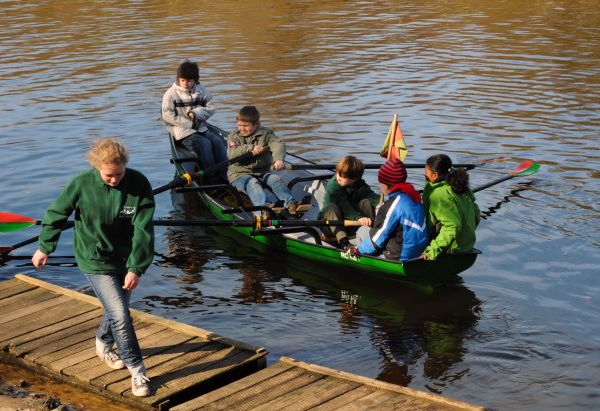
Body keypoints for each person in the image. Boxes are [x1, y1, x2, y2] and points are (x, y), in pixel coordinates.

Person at [31, 138, 155, 397]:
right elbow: (56, 214)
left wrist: (136, 267)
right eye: (109, 176)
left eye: (119, 174)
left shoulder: (138, 183)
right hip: (94, 258)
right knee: (121, 315)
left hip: (125, 258)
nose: (114, 180)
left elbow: (144, 230)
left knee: (117, 308)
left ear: (125, 167)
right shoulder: (81, 184)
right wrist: (45, 246)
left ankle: (103, 342)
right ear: (97, 167)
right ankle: (138, 371)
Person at [162, 60, 227, 183]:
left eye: (189, 81)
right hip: (182, 131)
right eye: (182, 80)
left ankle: (226, 174)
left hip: (200, 128)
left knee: (218, 142)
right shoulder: (170, 94)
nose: (185, 84)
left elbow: (211, 108)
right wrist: (189, 123)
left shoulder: (201, 90)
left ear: (195, 80)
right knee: (205, 144)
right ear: (178, 79)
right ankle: (212, 179)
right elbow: (167, 116)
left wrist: (196, 113)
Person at [227, 105, 300, 214]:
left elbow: (278, 144)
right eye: (239, 125)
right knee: (252, 183)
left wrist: (278, 159)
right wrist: (250, 148)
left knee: (275, 179)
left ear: (256, 124)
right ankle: (263, 209)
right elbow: (232, 154)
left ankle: (290, 204)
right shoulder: (233, 137)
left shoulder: (266, 133)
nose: (242, 129)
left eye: (245, 125)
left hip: (262, 171)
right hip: (239, 174)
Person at [354, 158, 429, 261]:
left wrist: (357, 250)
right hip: (419, 251)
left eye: (380, 182)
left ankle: (359, 261)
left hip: (400, 256)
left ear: (387, 184)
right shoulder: (414, 196)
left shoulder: (391, 205)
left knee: (362, 231)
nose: (379, 185)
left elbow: (375, 242)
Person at [421, 154, 480, 260]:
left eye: (426, 173)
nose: (425, 175)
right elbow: (476, 213)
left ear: (435, 175)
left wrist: (432, 250)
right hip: (466, 245)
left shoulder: (440, 195)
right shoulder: (462, 186)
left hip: (451, 250)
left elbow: (452, 226)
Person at [319, 155, 379, 250]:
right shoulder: (333, 185)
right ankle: (344, 243)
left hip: (350, 225)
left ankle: (374, 234)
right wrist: (359, 218)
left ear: (354, 179)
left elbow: (371, 195)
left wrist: (383, 204)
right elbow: (345, 206)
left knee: (366, 203)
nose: (338, 178)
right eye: (338, 173)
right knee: (331, 207)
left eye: (343, 176)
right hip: (330, 226)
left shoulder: (359, 184)